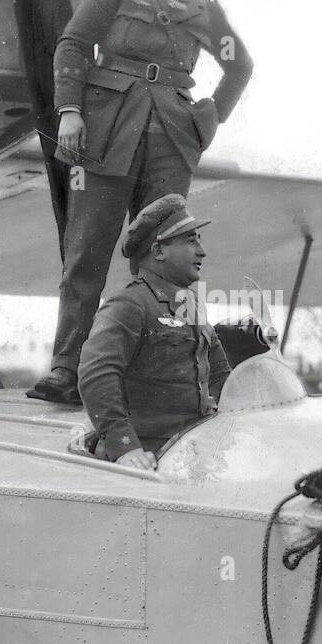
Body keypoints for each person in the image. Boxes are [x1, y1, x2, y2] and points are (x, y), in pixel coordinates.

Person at [28, 0, 253, 405]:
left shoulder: (209, 13)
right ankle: (67, 370)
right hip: (106, 138)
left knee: (167, 261)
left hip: (171, 143)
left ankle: (159, 378)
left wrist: (207, 121)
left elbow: (240, 65)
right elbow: (73, 42)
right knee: (85, 255)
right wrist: (69, 110)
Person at [77, 194, 231, 469]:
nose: (202, 251)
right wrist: (124, 448)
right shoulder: (129, 303)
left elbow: (220, 376)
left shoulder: (192, 303)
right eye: (190, 240)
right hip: (149, 459)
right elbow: (96, 374)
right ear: (158, 251)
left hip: (191, 452)